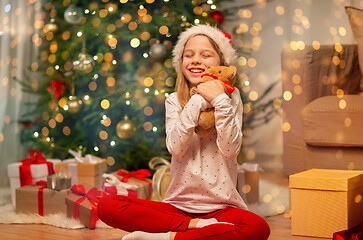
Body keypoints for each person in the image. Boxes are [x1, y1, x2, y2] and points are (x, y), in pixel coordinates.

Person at [97, 24, 270, 240]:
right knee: (107, 205)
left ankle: (163, 238)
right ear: (181, 64)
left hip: (222, 208)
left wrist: (218, 99)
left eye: (206, 55)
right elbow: (176, 148)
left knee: (258, 228)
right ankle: (195, 227)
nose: (196, 60)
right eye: (189, 55)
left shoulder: (230, 99)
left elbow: (230, 149)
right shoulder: (174, 101)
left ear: (222, 65)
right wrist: (197, 99)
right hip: (178, 207)